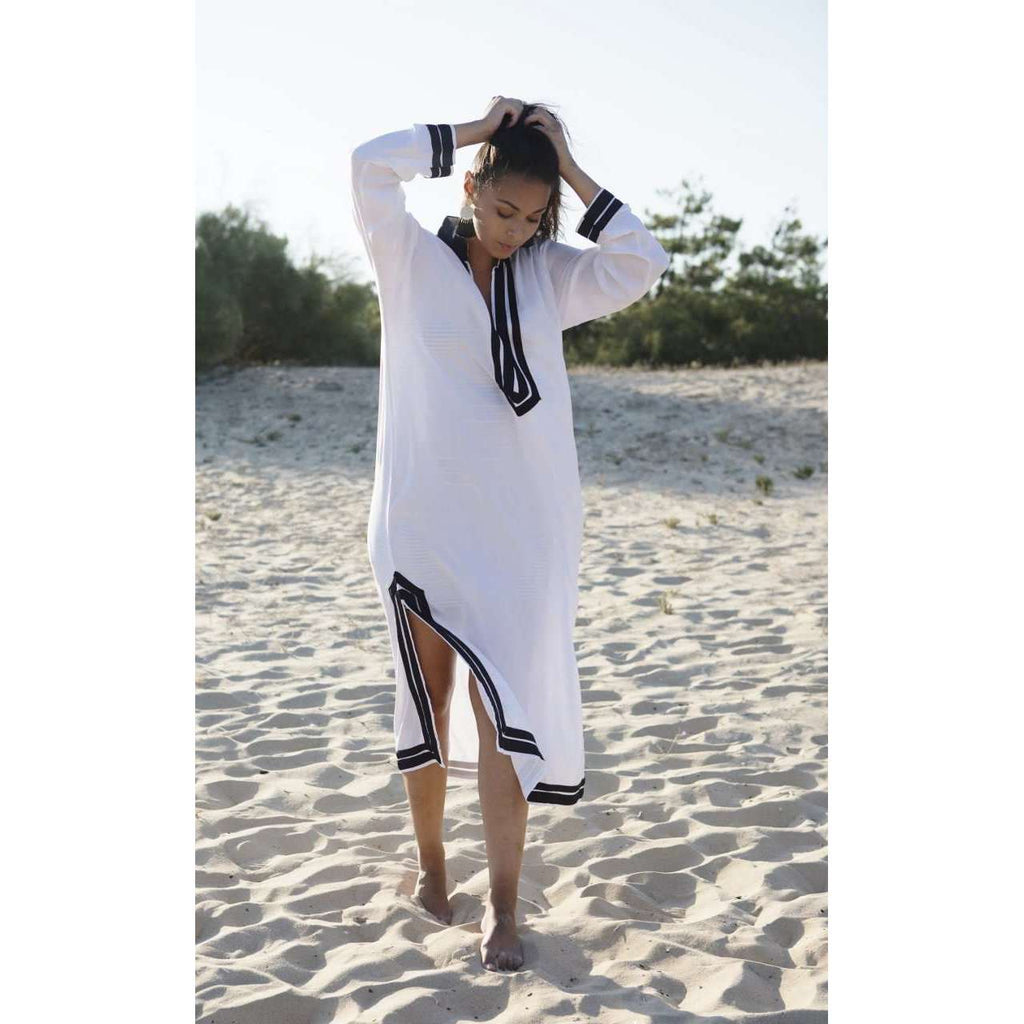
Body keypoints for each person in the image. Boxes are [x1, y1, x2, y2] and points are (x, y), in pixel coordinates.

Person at [349, 96, 671, 972]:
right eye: (502, 210)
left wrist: (568, 166)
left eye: (533, 218)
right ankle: (431, 870)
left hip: (524, 529)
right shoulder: (407, 257)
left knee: (504, 711)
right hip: (422, 518)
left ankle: (501, 908)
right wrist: (477, 129)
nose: (515, 231)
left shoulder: (549, 276)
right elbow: (369, 164)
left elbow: (641, 261)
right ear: (469, 186)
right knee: (429, 695)